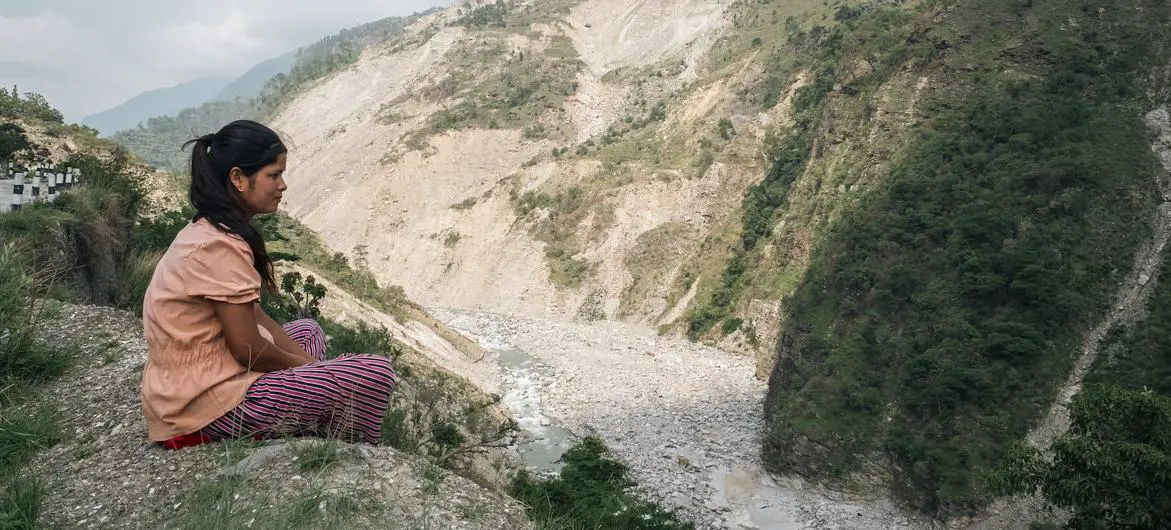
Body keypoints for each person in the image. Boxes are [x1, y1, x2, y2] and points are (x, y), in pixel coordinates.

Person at [140, 120, 398, 449]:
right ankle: (348, 449)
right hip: (200, 406)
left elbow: (255, 318)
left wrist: (316, 371)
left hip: (195, 383)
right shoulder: (218, 247)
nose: (283, 185)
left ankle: (311, 417)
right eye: (273, 175)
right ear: (238, 178)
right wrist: (319, 371)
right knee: (374, 372)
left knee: (308, 331)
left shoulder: (212, 231)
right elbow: (248, 349)